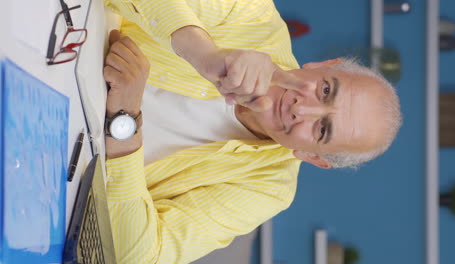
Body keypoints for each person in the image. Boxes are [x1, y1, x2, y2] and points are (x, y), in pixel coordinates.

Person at [102, 0, 402, 263]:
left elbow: (136, 255)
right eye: (325, 90)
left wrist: (124, 121)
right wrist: (203, 53)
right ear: (324, 64)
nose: (302, 109)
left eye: (322, 129)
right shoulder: (254, 16)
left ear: (313, 156)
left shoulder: (267, 190)